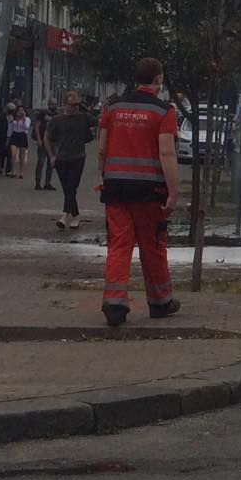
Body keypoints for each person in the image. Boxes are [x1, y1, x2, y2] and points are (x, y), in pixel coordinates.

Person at [94, 56, 182, 326]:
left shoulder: (113, 107)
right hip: (148, 190)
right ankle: (160, 301)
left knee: (119, 243)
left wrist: (106, 175)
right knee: (152, 245)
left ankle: (115, 304)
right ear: (158, 79)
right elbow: (166, 151)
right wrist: (174, 191)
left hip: (116, 187)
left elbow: (101, 149)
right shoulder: (163, 111)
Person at [45, 88, 95, 229]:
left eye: (76, 105)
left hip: (78, 157)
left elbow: (99, 122)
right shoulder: (57, 120)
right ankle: (75, 215)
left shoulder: (84, 117)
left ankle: (65, 215)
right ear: (65, 105)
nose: (74, 108)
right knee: (68, 189)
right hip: (61, 158)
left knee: (72, 186)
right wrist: (52, 156)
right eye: (71, 105)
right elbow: (47, 137)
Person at [32, 100, 55, 191]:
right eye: (53, 104)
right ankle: (37, 183)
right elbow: (36, 126)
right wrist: (38, 139)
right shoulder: (42, 113)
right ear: (49, 104)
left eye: (55, 104)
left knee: (51, 162)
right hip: (42, 140)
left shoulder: (56, 114)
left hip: (53, 141)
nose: (54, 106)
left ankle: (47, 183)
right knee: (41, 162)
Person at [7, 103, 31, 179]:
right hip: (14, 135)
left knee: (21, 156)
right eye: (19, 110)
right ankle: (13, 170)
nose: (20, 112)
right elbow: (10, 128)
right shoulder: (13, 118)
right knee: (13, 154)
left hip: (22, 135)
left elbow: (26, 128)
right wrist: (8, 137)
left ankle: (21, 172)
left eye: (22, 110)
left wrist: (23, 119)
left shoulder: (27, 119)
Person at [0, 104, 12, 177]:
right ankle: (1, 166)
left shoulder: (13, 118)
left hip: (11, 138)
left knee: (10, 154)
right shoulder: (0, 118)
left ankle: (8, 170)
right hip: (2, 138)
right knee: (1, 154)